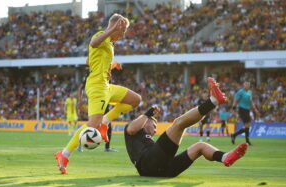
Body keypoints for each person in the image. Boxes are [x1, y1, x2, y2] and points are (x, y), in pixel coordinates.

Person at [55, 13, 141, 174]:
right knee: (91, 125)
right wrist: (112, 29)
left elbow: (89, 60)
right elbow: (93, 43)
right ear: (115, 26)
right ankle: (64, 154)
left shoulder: (109, 44)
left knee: (135, 100)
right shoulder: (100, 36)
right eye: (122, 31)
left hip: (106, 86)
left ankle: (105, 122)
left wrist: (111, 66)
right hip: (96, 87)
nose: (123, 35)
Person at [124, 78, 248, 177]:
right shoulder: (132, 129)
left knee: (200, 146)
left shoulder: (146, 142)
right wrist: (147, 114)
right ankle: (213, 101)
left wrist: (198, 115)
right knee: (178, 123)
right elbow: (131, 129)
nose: (155, 129)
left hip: (163, 170)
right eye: (154, 124)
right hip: (148, 164)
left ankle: (225, 157)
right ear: (146, 121)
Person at [231, 80, 260, 145]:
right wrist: (233, 108)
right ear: (243, 85)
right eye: (246, 84)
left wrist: (255, 110)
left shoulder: (250, 92)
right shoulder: (240, 92)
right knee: (247, 125)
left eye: (248, 84)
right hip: (242, 109)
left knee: (247, 126)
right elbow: (235, 100)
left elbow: (251, 101)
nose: (247, 85)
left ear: (249, 85)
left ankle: (234, 135)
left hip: (247, 110)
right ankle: (247, 141)